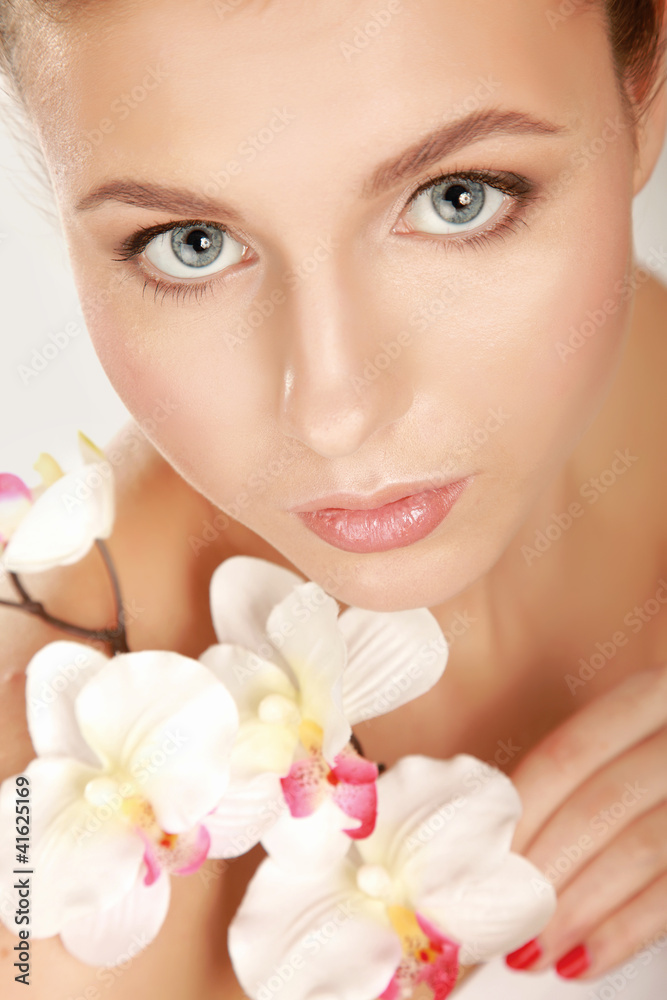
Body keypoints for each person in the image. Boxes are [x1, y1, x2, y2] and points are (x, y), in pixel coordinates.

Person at [1, 0, 666, 997]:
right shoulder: (46, 886)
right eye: (190, 242)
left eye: (458, 198)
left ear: (641, 93)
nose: (335, 411)